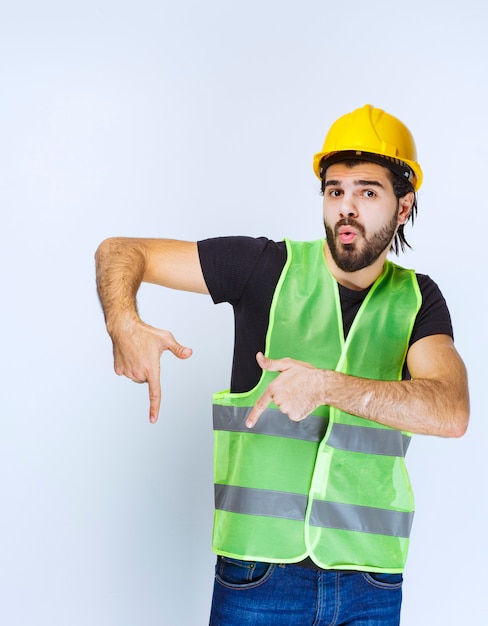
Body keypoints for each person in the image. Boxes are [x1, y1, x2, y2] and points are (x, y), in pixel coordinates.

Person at [95, 104, 469, 625]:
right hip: (258, 574)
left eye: (368, 191)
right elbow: (122, 251)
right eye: (335, 190)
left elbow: (450, 411)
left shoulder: (418, 300)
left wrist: (327, 387)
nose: (347, 208)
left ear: (403, 207)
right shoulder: (263, 268)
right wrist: (124, 322)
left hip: (371, 581)